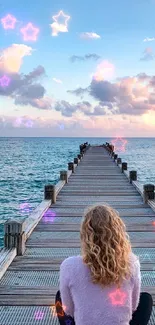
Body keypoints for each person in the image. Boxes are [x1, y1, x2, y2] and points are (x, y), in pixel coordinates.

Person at [55, 204, 153, 325]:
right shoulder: (131, 263)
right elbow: (132, 307)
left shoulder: (69, 265)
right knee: (146, 299)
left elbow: (68, 310)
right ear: (118, 234)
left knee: (60, 297)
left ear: (85, 235)